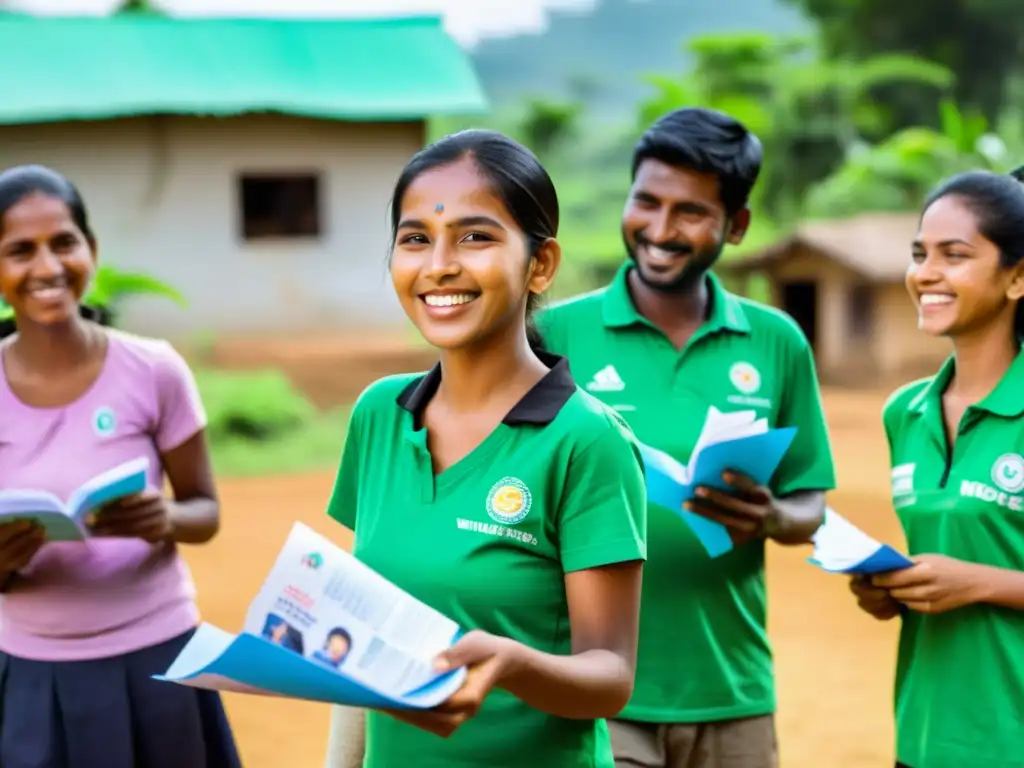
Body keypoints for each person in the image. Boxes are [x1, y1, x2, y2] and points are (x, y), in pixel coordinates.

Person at [322, 129, 647, 768]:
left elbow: (610, 676)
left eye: (475, 237)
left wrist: (513, 664)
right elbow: (364, 642)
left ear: (541, 264)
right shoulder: (379, 416)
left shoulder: (587, 439)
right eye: (415, 239)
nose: (439, 264)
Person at [536, 107, 836, 768]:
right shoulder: (555, 337)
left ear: (737, 225)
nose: (661, 230)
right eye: (646, 201)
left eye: (691, 212)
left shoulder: (777, 342)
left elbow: (810, 505)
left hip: (731, 692)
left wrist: (772, 516)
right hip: (594, 687)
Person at [0, 165, 241, 768]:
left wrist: (164, 517)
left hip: (159, 657)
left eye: (63, 242)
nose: (47, 267)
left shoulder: (154, 370)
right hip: (30, 669)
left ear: (92, 250)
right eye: (19, 250)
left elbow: (204, 512)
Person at [849, 168, 1024, 768]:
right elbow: (949, 547)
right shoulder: (906, 411)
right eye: (920, 253)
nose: (925, 273)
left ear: (1018, 276)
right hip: (925, 736)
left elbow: (976, 569)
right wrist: (895, 589)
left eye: (955, 255)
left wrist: (980, 582)